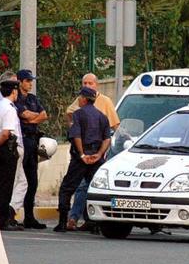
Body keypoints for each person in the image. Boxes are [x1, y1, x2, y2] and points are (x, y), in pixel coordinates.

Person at [65, 73, 119, 231]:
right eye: (85, 83)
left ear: (97, 85)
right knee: (81, 185)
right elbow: (70, 114)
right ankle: (75, 218)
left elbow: (115, 126)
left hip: (98, 151)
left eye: (90, 83)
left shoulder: (105, 102)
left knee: (91, 185)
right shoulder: (80, 100)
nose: (87, 85)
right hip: (82, 151)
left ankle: (86, 219)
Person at [54, 87, 111, 232]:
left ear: (84, 99)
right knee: (95, 190)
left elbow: (77, 135)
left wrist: (81, 154)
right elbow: (107, 139)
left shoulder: (78, 115)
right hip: (96, 158)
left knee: (67, 188)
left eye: (80, 97)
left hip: (81, 159)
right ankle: (95, 224)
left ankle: (62, 223)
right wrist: (98, 155)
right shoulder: (102, 116)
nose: (78, 99)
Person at [14, 69, 49, 229]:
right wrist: (32, 118)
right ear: (20, 82)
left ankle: (29, 217)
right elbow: (24, 115)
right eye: (27, 81)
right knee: (19, 180)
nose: (30, 83)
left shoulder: (33, 98)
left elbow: (44, 115)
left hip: (32, 141)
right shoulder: (16, 99)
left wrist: (31, 119)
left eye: (31, 81)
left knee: (32, 182)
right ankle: (11, 213)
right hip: (21, 142)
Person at [0, 80, 22, 231]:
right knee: (6, 185)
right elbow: (6, 133)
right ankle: (2, 220)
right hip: (5, 147)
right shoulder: (9, 109)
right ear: (14, 91)